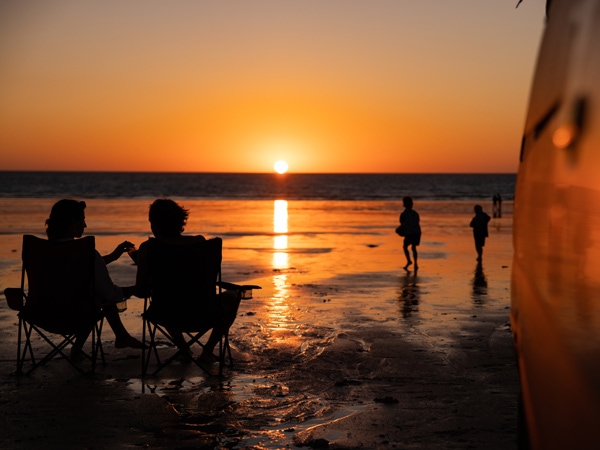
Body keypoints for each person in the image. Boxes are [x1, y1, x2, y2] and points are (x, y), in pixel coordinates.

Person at [134, 198, 241, 363]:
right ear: (180, 222)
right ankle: (207, 352)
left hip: (165, 313)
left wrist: (144, 264)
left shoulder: (148, 249)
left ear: (154, 224)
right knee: (233, 295)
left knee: (167, 299)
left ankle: (184, 350)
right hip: (204, 312)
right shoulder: (200, 244)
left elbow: (141, 292)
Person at [45, 199, 145, 355]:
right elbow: (110, 293)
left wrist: (112, 257)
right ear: (72, 222)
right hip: (75, 316)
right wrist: (136, 289)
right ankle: (121, 336)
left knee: (92, 295)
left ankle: (86, 346)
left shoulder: (41, 251)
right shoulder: (87, 253)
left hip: (43, 313)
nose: (85, 225)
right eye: (82, 220)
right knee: (100, 297)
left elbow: (76, 268)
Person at [399, 196, 421, 270]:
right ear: (412, 204)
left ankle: (409, 261)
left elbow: (402, 224)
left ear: (404, 204)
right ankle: (416, 264)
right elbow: (417, 222)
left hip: (410, 232)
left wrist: (401, 232)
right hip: (417, 232)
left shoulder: (403, 214)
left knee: (405, 246)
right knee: (413, 247)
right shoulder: (415, 213)